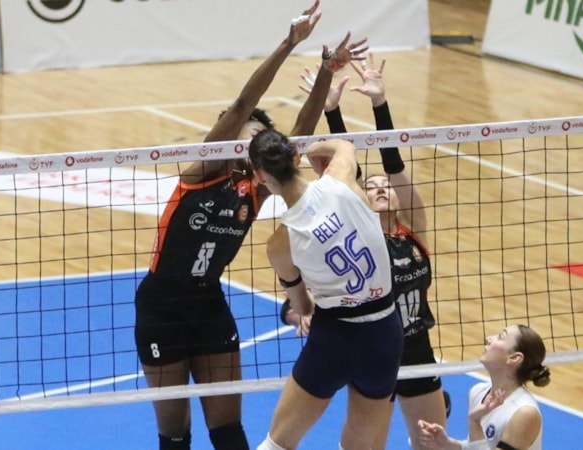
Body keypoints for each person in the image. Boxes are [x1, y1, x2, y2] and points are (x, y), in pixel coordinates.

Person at [133, 3, 361, 449]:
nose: (245, 135)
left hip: (208, 305)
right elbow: (242, 105)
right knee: (175, 434)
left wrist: (325, 71)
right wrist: (288, 43)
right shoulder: (202, 172)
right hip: (161, 308)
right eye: (241, 130)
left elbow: (300, 130)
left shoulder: (256, 188)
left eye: (255, 135)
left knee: (228, 431)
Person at [288, 54, 450, 449]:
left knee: (433, 443)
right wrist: (332, 112)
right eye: (371, 186)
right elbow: (347, 175)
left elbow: (394, 166)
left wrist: (380, 102)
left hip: (417, 347)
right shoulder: (358, 234)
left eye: (385, 186)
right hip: (376, 346)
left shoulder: (413, 231)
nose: (379, 188)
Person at [249, 133, 403, 450]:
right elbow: (344, 145)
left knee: (277, 444)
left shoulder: (279, 245)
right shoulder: (341, 177)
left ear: (260, 176)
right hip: (384, 334)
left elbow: (304, 307)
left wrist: (310, 300)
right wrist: (311, 151)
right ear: (294, 157)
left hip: (334, 339)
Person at [417, 325, 551, 450]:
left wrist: (474, 421)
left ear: (514, 358)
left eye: (501, 337)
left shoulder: (524, 413)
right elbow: (475, 445)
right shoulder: (478, 391)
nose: (488, 338)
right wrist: (448, 444)